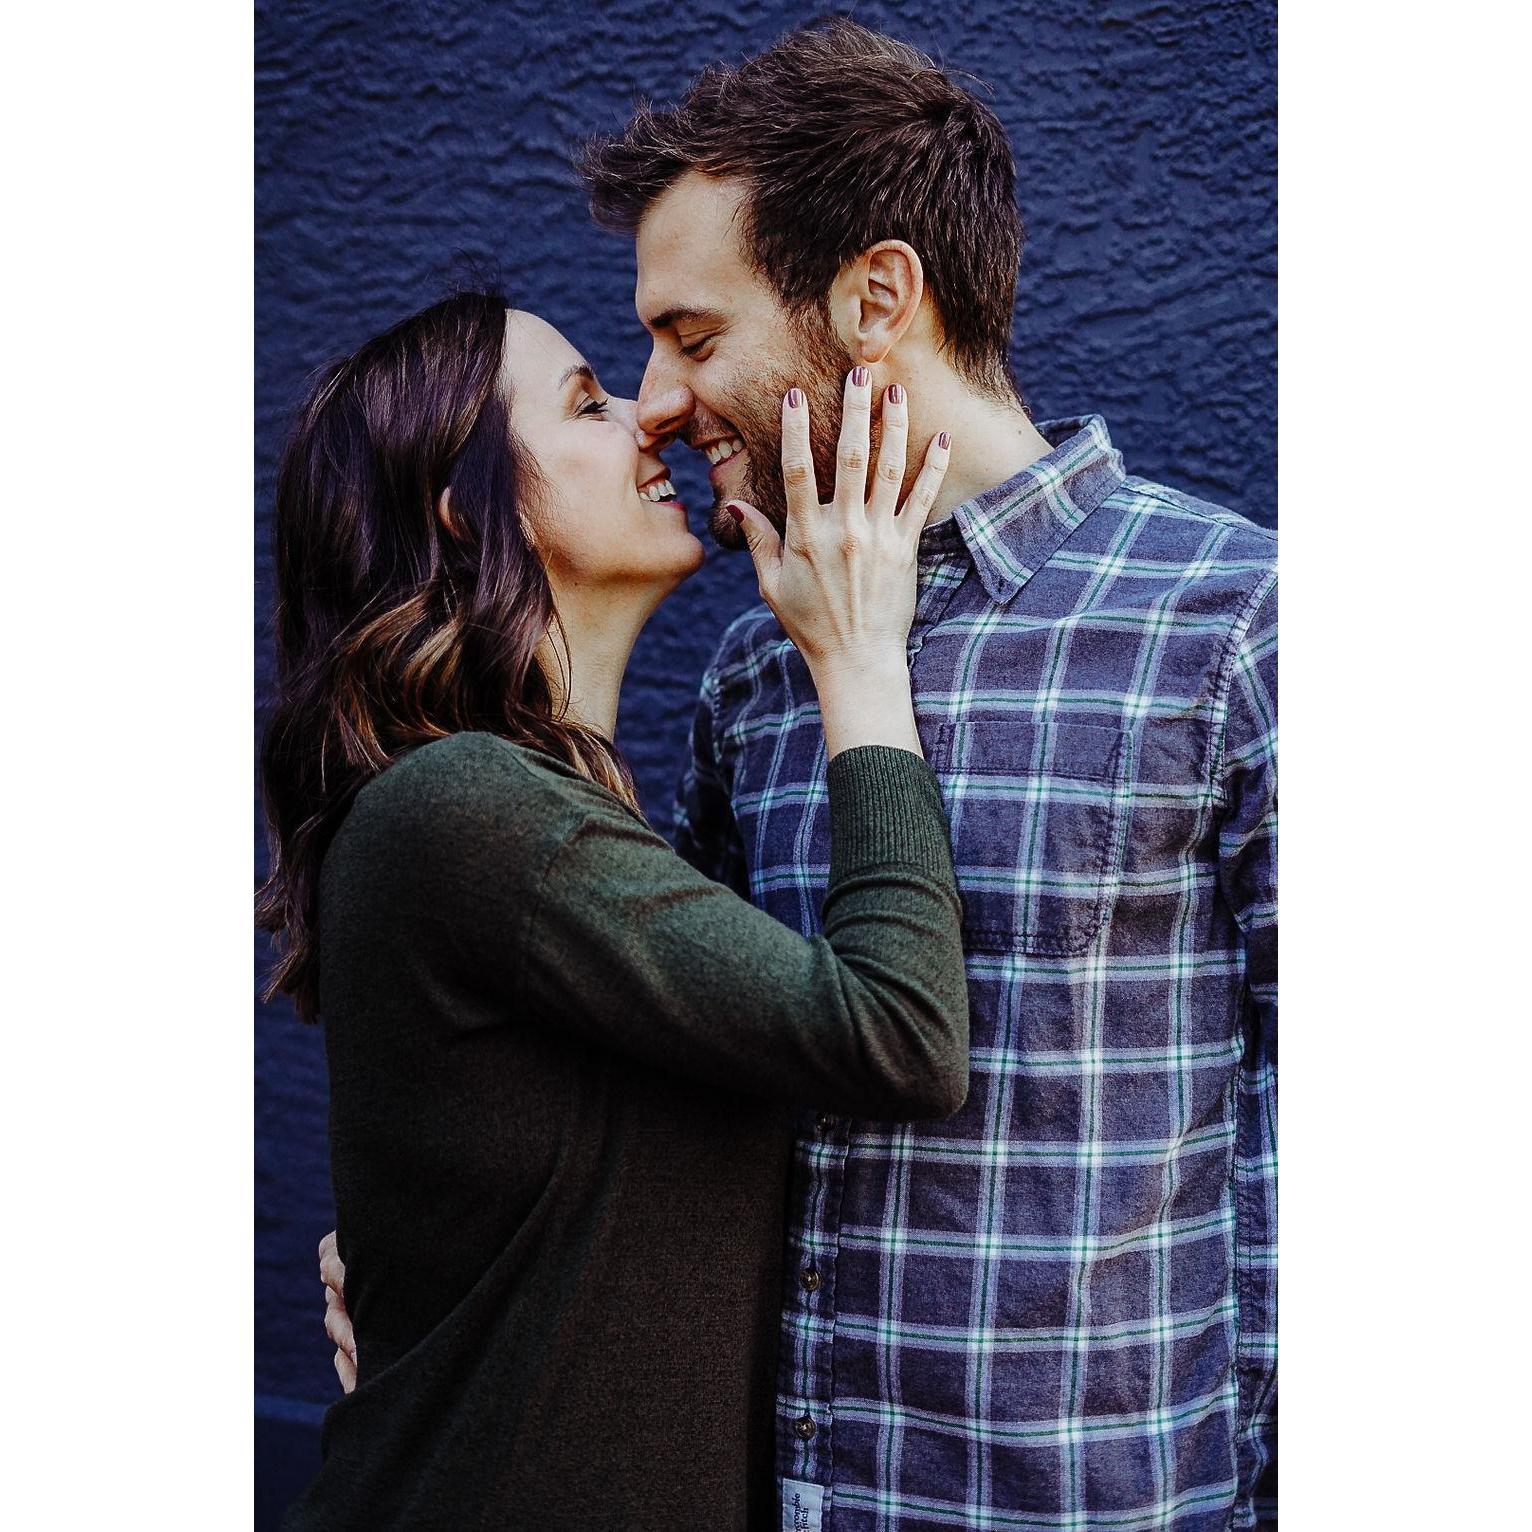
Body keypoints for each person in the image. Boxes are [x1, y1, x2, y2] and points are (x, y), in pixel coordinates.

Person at [324, 18, 1278, 1530]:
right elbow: (681, 1076)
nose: (658, 399)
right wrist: (418, 1267)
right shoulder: (755, 680)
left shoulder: (1232, 624)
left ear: (874, 300)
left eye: (694, 338)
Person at [259, 288, 973, 1530]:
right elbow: (899, 1034)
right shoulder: (468, 806)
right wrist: (859, 658)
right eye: (586, 403)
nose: (647, 417)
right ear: (462, 505)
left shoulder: (533, 818)